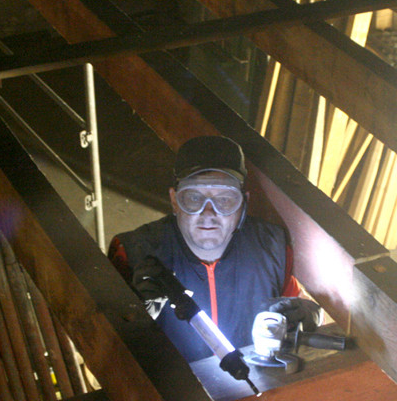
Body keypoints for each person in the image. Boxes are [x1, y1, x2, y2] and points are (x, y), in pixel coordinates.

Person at [108, 135, 303, 362]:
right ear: (174, 201)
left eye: (225, 200)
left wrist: (305, 320)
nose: (208, 214)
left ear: (243, 204)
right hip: (172, 393)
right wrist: (137, 317)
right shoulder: (131, 254)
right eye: (193, 198)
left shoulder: (274, 250)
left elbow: (291, 311)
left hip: (258, 388)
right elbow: (109, 349)